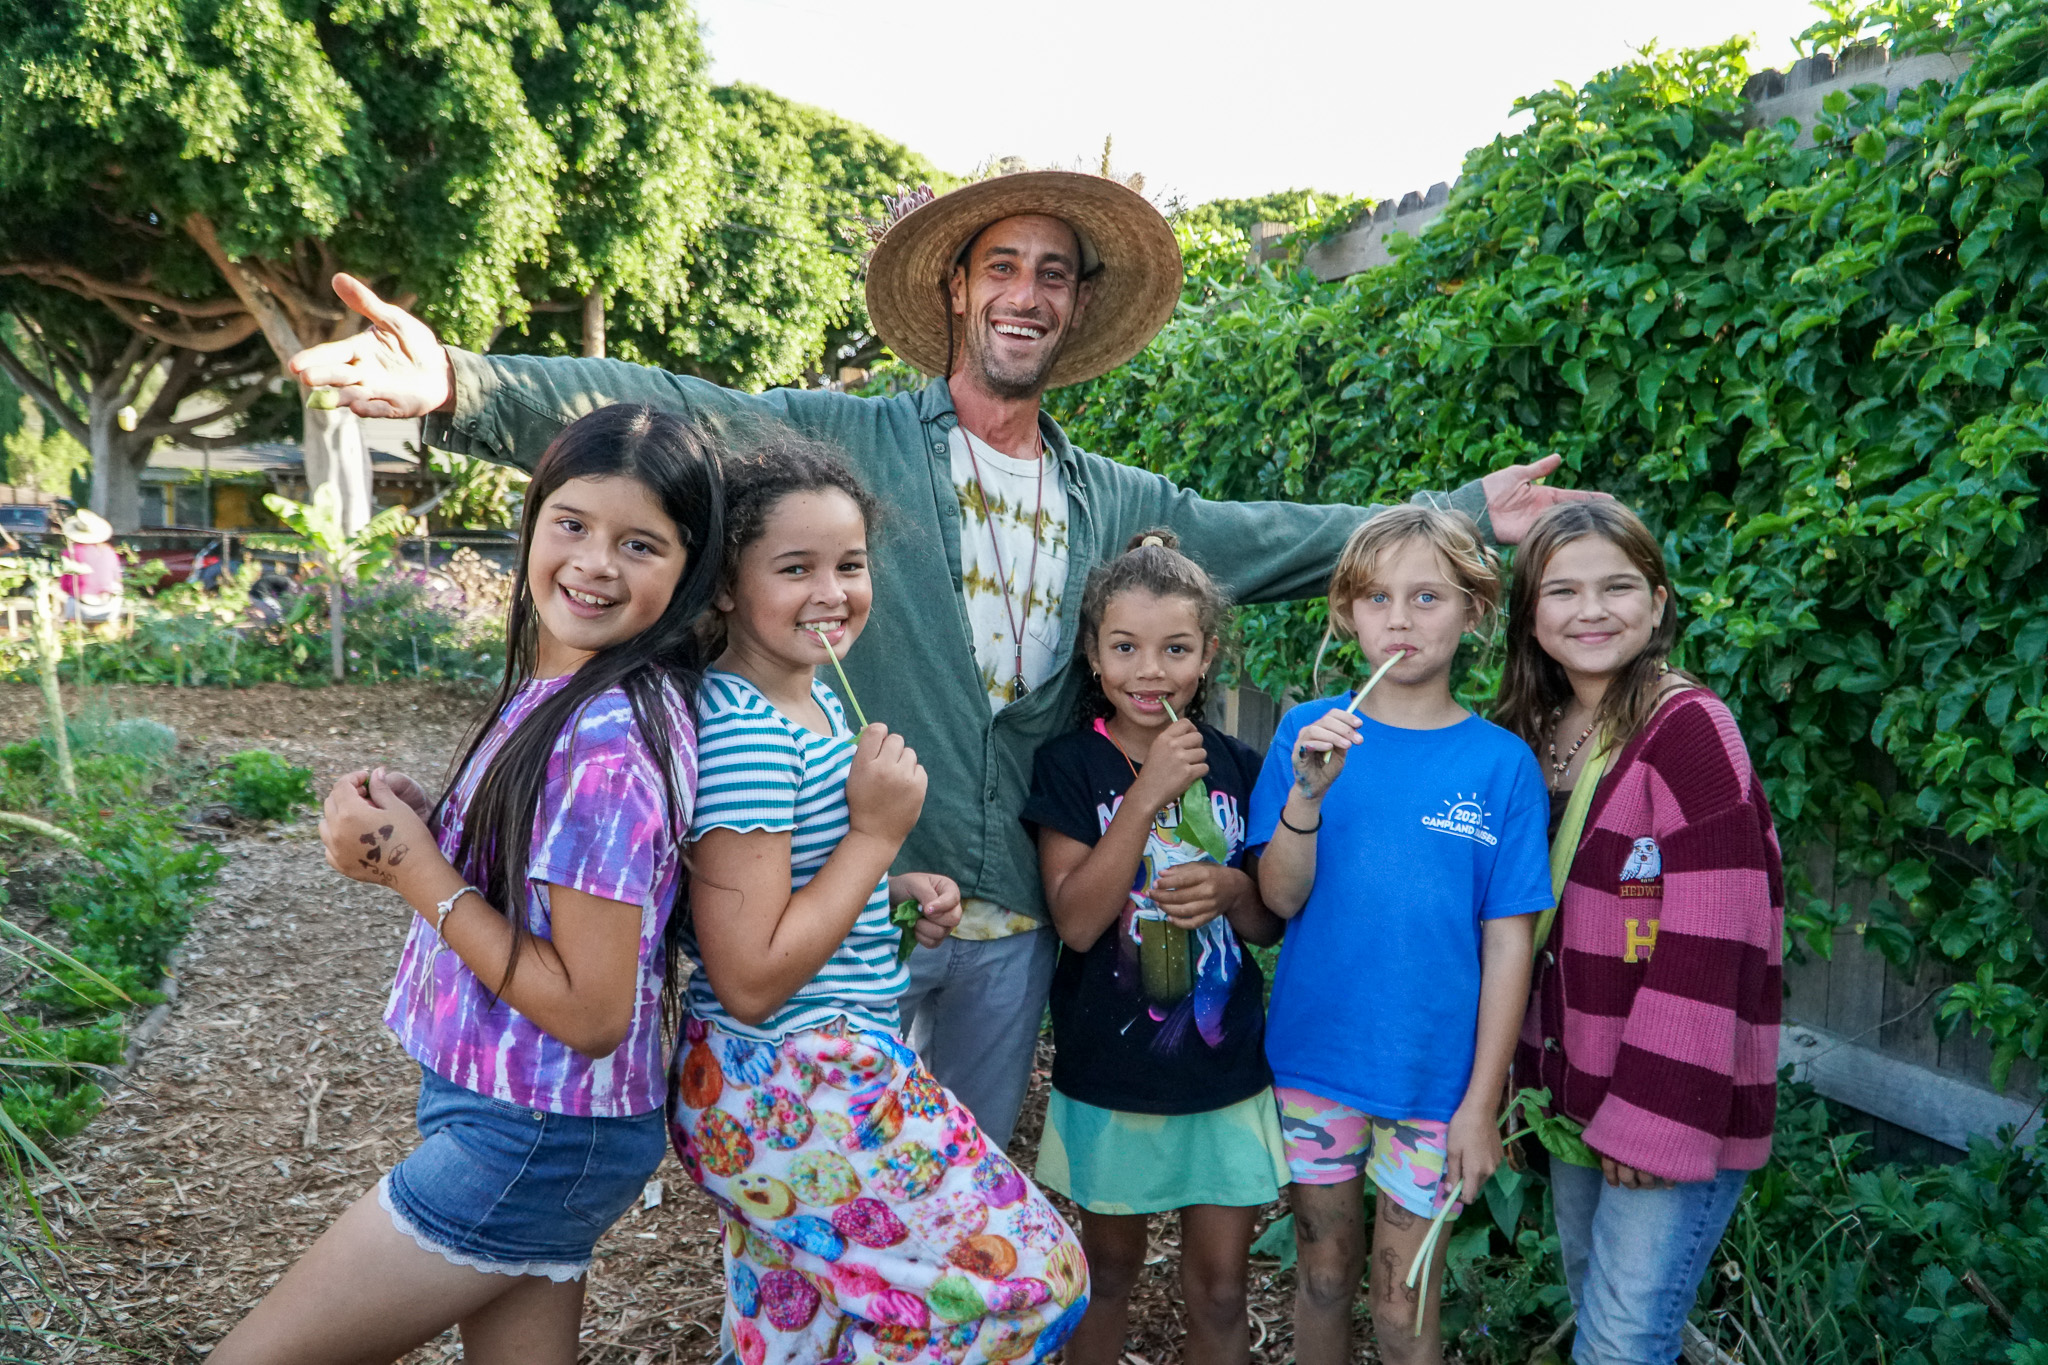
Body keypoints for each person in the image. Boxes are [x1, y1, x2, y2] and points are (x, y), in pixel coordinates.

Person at [289, 168, 1601, 1150]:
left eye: (1054, 275)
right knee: (805, 1172)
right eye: (1004, 266)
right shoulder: (853, 440)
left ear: (1075, 310)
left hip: (1006, 914)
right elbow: (677, 409)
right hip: (838, 898)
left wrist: (1467, 516)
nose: (1026, 292)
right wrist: (459, 384)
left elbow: (1272, 538)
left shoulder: (1116, 499)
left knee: (952, 1174)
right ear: (957, 290)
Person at [211, 405, 724, 1365]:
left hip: (531, 1127)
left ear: (687, 569)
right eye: (571, 523)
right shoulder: (570, 690)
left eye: (640, 543)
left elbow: (590, 1007)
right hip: (532, 1115)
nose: (595, 562)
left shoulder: (608, 735)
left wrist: (414, 865)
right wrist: (426, 819)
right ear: (532, 522)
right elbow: (545, 872)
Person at [671, 440, 1087, 1365]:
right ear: (727, 586)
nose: (832, 591)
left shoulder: (810, 703)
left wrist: (885, 894)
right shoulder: (743, 730)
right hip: (795, 1071)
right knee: (1034, 1281)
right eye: (795, 568)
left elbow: (787, 888)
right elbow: (747, 976)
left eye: (850, 565)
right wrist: (875, 837)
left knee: (801, 1324)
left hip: (783, 1073)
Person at [1247, 506, 1554, 1365]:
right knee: (1321, 1273)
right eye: (1377, 597)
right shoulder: (1309, 734)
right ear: (1347, 612)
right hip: (1317, 1060)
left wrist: (1481, 1102)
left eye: (1428, 596)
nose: (1402, 618)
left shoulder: (1501, 766)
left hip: (1438, 1081)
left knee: (1401, 1300)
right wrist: (1305, 796)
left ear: (1474, 611)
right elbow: (1277, 902)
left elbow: (1507, 944)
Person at [1496, 501, 1783, 1365]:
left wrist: (1655, 1122)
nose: (1592, 610)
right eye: (1564, 590)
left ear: (1657, 603)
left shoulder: (1690, 730)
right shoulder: (1539, 736)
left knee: (1622, 1343)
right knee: (1599, 1309)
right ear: (1531, 614)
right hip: (1576, 1090)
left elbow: (1713, 938)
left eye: (1618, 586)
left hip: (1666, 1103)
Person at [1021, 530, 1285, 1365]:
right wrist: (1146, 792)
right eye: (1125, 646)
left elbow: (1265, 921)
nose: (1149, 670)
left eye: (1175, 648)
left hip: (1224, 1071)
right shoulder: (1069, 767)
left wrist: (1234, 887)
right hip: (1113, 1073)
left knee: (1219, 1288)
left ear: (1207, 655)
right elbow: (1076, 920)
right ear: (1094, 658)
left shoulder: (1241, 766)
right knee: (1106, 1271)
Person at [57, 508, 123, 625]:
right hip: (108, 607)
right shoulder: (109, 551)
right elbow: (117, 579)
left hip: (80, 608)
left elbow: (64, 586)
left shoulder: (70, 553)